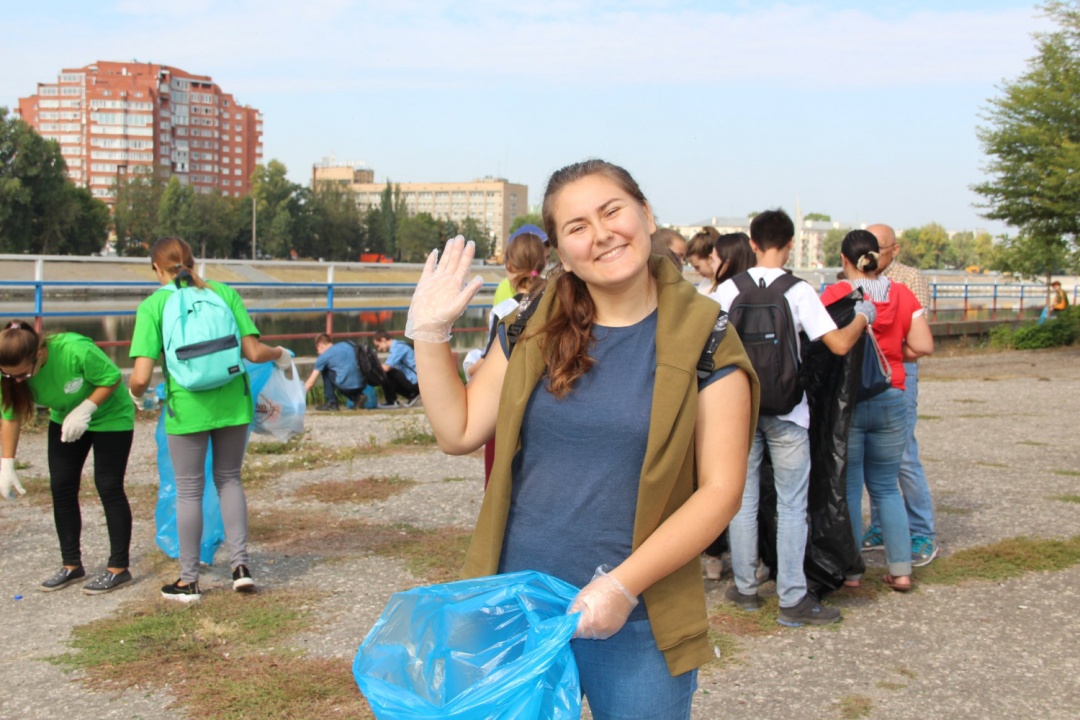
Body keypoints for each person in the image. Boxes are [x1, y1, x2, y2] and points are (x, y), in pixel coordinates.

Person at [406, 159, 758, 719]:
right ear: (562, 253)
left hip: (639, 614)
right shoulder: (531, 326)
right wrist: (429, 333)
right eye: (577, 227)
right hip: (518, 607)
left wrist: (621, 588)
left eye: (612, 211)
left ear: (645, 215)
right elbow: (459, 430)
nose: (601, 234)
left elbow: (721, 491)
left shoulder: (708, 338)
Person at [711, 209, 874, 625]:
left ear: (751, 243)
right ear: (789, 245)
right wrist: (861, 316)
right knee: (791, 505)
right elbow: (838, 345)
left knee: (741, 501)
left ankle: (745, 589)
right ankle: (792, 598)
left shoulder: (728, 290)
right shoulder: (798, 290)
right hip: (789, 411)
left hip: (740, 409)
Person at [128, 236, 292, 603]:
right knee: (229, 480)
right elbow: (253, 352)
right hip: (233, 401)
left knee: (189, 491)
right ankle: (241, 568)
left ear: (155, 268)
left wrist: (137, 396)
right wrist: (280, 353)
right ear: (193, 262)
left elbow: (140, 377)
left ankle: (189, 581)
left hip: (188, 408)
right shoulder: (223, 292)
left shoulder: (154, 305)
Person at [821, 229, 934, 593]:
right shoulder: (901, 294)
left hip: (850, 399)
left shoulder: (835, 294)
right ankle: (901, 570)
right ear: (877, 256)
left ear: (845, 259)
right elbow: (924, 345)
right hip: (892, 394)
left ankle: (852, 572)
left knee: (851, 488)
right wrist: (895, 354)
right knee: (886, 487)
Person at [0, 321, 136, 595]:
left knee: (108, 486)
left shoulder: (74, 350)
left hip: (111, 417)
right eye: (9, 375)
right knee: (61, 488)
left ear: (39, 354)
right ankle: (71, 565)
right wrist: (7, 462)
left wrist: (86, 408)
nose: (17, 380)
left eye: (23, 374)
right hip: (65, 419)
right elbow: (10, 416)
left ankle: (118, 568)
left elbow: (111, 377)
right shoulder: (10, 373)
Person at [865, 223, 939, 567]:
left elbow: (919, 338)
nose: (869, 255)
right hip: (869, 371)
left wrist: (885, 351)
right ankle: (881, 526)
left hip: (900, 369)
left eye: (877, 249)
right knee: (873, 453)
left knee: (904, 454)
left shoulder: (909, 279)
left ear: (894, 250)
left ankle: (923, 531)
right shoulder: (859, 277)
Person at [303, 333, 365, 411]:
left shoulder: (324, 356)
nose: (318, 353)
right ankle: (357, 397)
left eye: (317, 350)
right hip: (361, 383)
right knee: (343, 372)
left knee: (326, 370)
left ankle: (331, 402)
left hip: (346, 386)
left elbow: (310, 383)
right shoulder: (346, 344)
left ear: (320, 345)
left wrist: (300, 395)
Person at [372, 330, 420, 408]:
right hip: (417, 381)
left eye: (378, 345)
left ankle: (392, 401)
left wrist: (373, 367)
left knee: (386, 373)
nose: (379, 349)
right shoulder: (400, 344)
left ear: (383, 340)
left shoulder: (398, 348)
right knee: (389, 376)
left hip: (416, 381)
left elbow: (386, 367)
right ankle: (411, 395)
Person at [686, 226, 720, 294]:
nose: (696, 272)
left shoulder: (726, 286)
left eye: (697, 267)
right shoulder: (706, 283)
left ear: (711, 259)